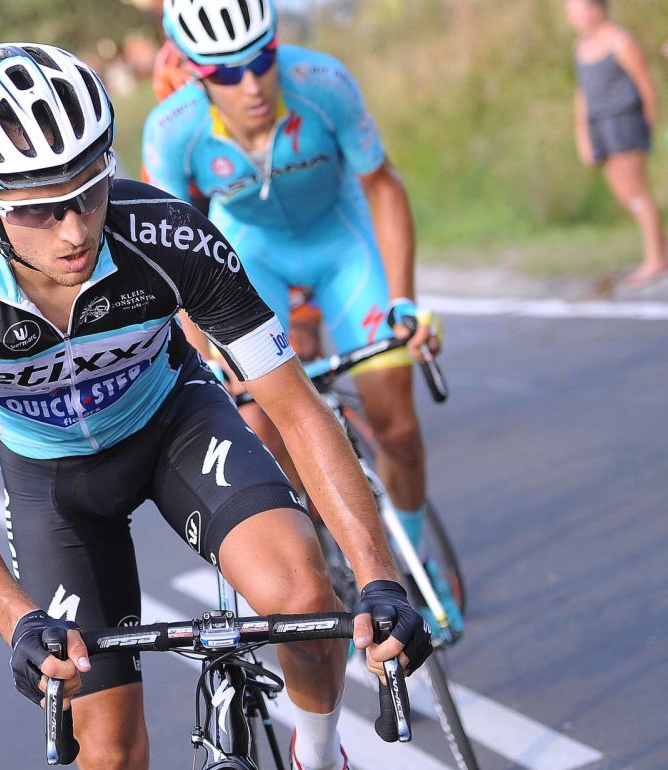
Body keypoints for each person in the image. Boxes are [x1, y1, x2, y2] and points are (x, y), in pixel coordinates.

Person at [0, 42, 431, 770]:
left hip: (176, 425)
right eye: (40, 209)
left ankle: (321, 764)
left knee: (304, 597)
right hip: (54, 488)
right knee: (109, 761)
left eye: (91, 191)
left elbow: (297, 409)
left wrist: (378, 575)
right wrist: (15, 618)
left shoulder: (167, 234)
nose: (74, 231)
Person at [144, 0, 459, 635]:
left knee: (397, 425)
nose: (251, 84)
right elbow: (172, 252)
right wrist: (203, 351)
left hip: (343, 246)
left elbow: (384, 186)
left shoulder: (323, 81)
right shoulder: (172, 130)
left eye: (261, 60)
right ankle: (323, 559)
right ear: (195, 73)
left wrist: (403, 299)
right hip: (250, 256)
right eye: (226, 73)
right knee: (261, 424)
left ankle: (414, 562)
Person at [566, 0, 665, 287]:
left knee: (637, 192)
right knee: (624, 193)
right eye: (570, 13)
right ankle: (660, 249)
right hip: (600, 126)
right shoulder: (580, 47)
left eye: (580, 11)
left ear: (597, 9)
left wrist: (647, 124)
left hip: (624, 122)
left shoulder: (620, 42)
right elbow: (583, 96)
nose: (574, 18)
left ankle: (655, 259)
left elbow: (645, 84)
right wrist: (583, 135)